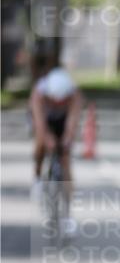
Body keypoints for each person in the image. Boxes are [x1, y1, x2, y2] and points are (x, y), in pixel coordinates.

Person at [30, 66, 82, 233]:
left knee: (66, 160)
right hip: (44, 120)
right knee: (40, 144)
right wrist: (47, 138)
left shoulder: (74, 95)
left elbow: (72, 123)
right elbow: (39, 123)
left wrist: (66, 139)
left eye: (62, 101)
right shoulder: (39, 94)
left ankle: (67, 215)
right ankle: (37, 178)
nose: (58, 103)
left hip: (62, 122)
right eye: (55, 100)